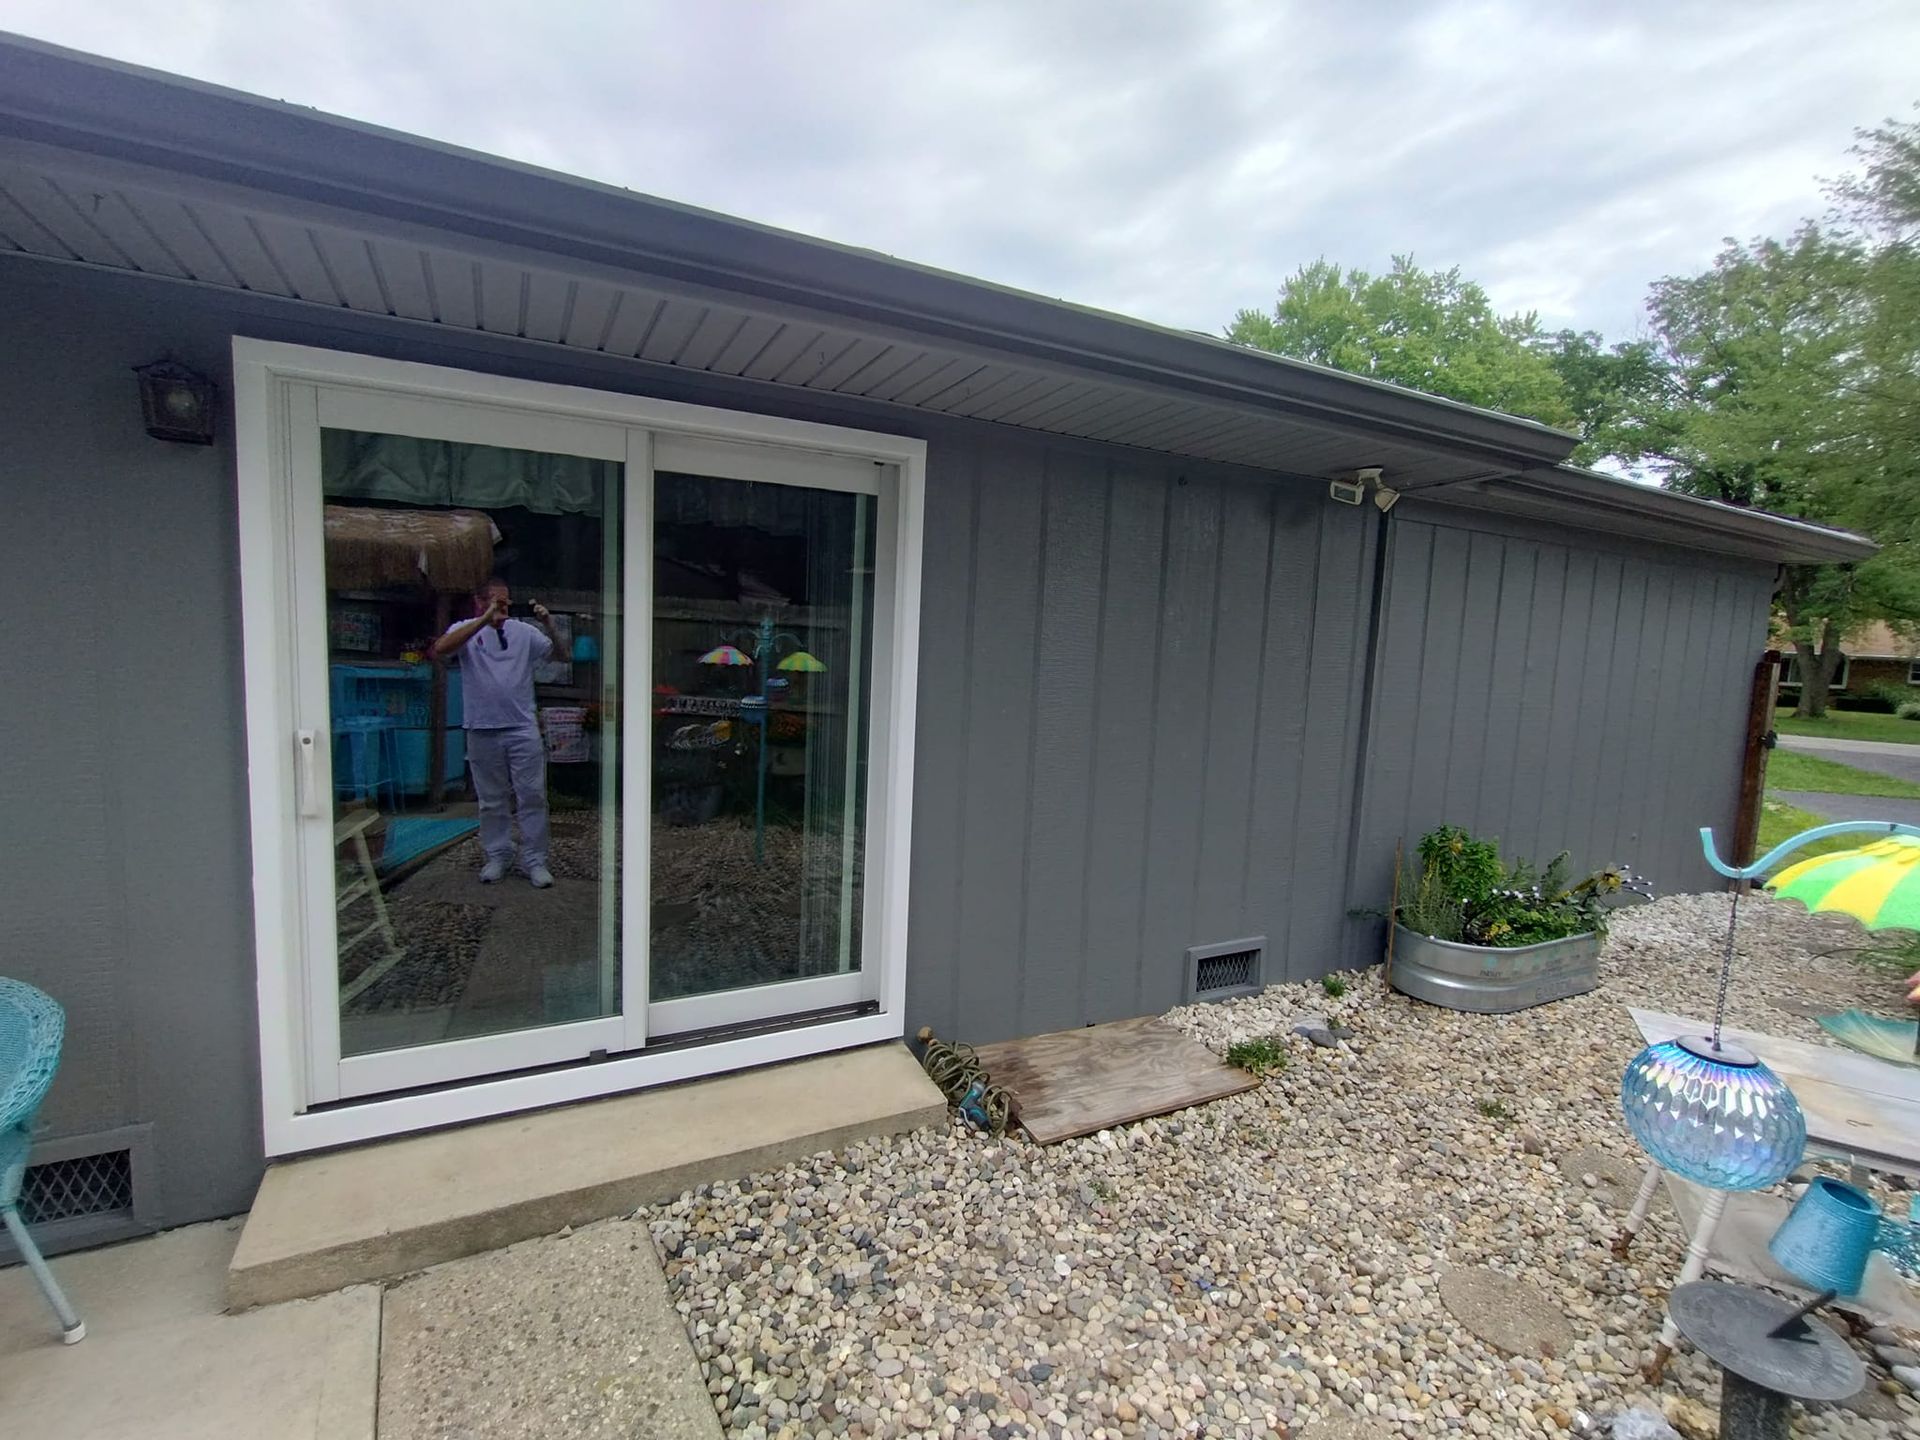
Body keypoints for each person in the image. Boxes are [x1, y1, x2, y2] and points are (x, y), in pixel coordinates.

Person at [431, 578, 564, 888]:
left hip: (521, 726)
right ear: (479, 602)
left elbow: (560, 655)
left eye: (505, 602)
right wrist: (483, 620)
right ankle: (498, 854)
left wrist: (549, 624)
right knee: (491, 799)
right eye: (495, 601)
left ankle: (535, 859)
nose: (502, 607)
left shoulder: (523, 631)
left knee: (532, 795)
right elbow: (439, 650)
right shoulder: (465, 628)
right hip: (480, 727)